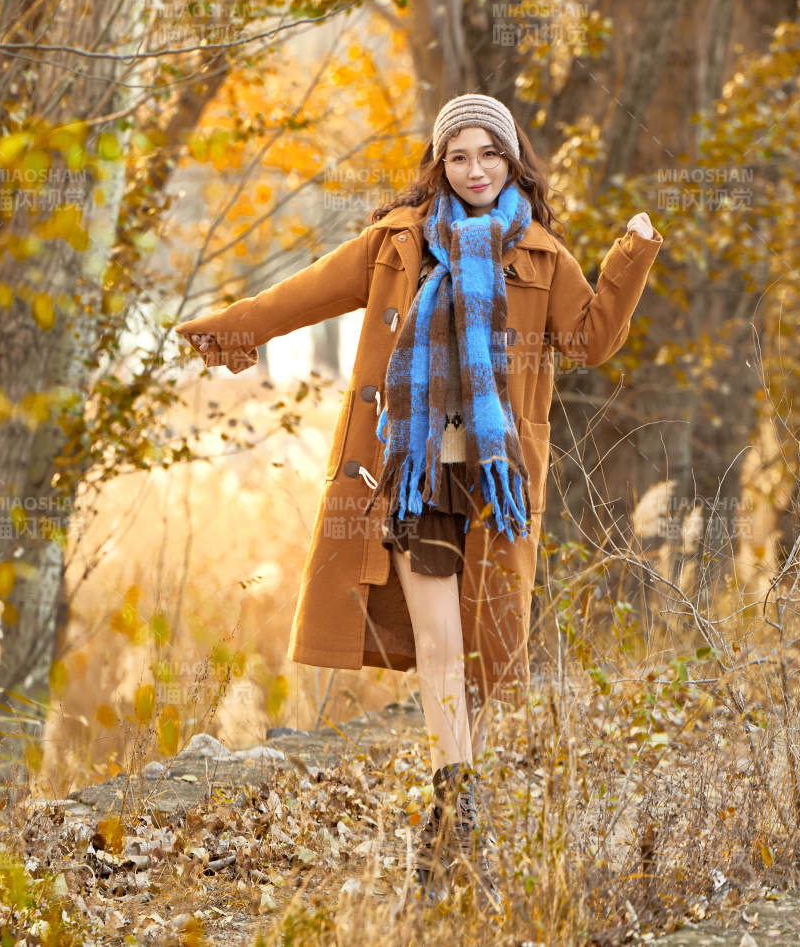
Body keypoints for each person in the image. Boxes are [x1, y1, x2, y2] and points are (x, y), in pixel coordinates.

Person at [178, 93, 663, 902]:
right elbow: (305, 294)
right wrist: (233, 329)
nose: (476, 170)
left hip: (496, 482)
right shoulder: (397, 243)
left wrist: (635, 250)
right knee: (440, 645)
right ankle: (457, 809)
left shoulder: (540, 254)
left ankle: (457, 819)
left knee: (485, 652)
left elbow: (591, 337)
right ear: (440, 163)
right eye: (460, 156)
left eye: (491, 155)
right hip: (411, 473)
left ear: (513, 163)